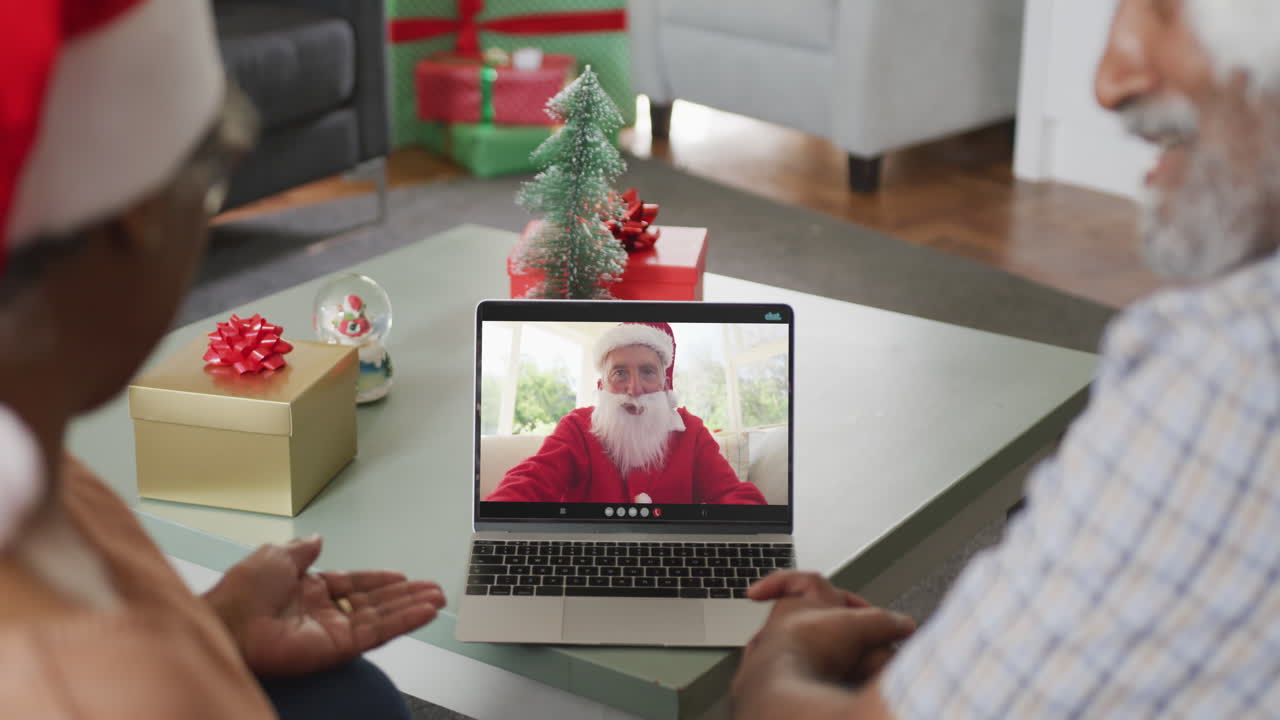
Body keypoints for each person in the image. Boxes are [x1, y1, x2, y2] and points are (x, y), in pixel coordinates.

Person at [732, 1, 1280, 717]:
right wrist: (964, 658)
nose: (1108, 81)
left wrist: (778, 662)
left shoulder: (1229, 371)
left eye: (1167, 6)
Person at [0, 2, 444, 718]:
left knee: (353, 695)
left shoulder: (46, 465)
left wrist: (214, 628)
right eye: (212, 178)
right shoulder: (103, 687)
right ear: (136, 214)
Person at [486, 322, 768, 504]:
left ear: (665, 384)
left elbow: (730, 493)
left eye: (647, 372)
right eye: (620, 373)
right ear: (601, 386)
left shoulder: (691, 431)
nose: (634, 389)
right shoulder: (577, 427)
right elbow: (531, 481)